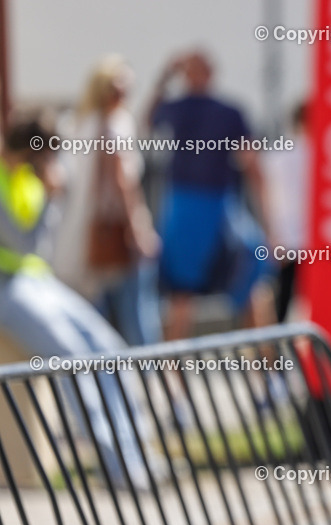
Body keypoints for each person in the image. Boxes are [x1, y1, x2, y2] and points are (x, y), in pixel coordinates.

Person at [0, 113, 148, 488]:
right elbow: (24, 242)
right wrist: (53, 199)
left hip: (34, 280)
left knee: (109, 348)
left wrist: (51, 198)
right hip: (7, 288)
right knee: (75, 361)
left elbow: (40, 249)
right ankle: (117, 467)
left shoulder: (27, 178)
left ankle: (139, 452)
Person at [147, 50, 274, 339]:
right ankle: (172, 371)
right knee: (182, 292)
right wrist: (164, 76)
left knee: (251, 273)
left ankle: (266, 366)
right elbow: (150, 121)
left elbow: (252, 164)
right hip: (187, 205)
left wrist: (269, 224)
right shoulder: (179, 108)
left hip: (216, 205)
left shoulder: (228, 112)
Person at [54, 54, 162, 346]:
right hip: (115, 230)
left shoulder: (78, 123)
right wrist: (139, 229)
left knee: (93, 312)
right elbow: (123, 183)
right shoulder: (113, 125)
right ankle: (148, 381)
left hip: (83, 233)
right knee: (136, 312)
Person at [264, 101, 309, 322]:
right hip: (313, 240)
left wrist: (273, 234)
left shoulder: (277, 154)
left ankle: (276, 353)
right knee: (308, 302)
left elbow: (267, 197)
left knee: (282, 299)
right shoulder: (323, 156)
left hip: (285, 236)